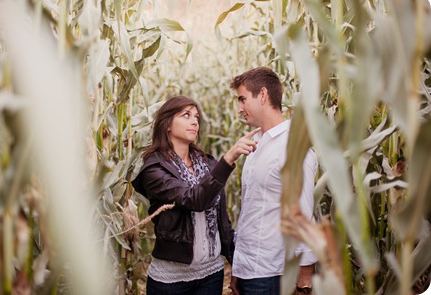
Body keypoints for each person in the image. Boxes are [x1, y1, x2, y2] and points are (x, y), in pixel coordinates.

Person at [131, 96, 259, 295]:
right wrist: (228, 159)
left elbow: (222, 220)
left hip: (211, 274)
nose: (194, 121)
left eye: (197, 117)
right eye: (186, 115)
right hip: (172, 280)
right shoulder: (154, 169)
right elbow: (194, 199)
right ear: (167, 126)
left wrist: (237, 266)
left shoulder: (208, 164)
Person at [228, 67, 318, 295]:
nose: (239, 109)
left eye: (242, 99)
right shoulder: (255, 144)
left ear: (263, 95)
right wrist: (238, 268)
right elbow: (252, 210)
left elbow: (303, 213)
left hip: (273, 274)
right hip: (249, 269)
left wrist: (305, 276)